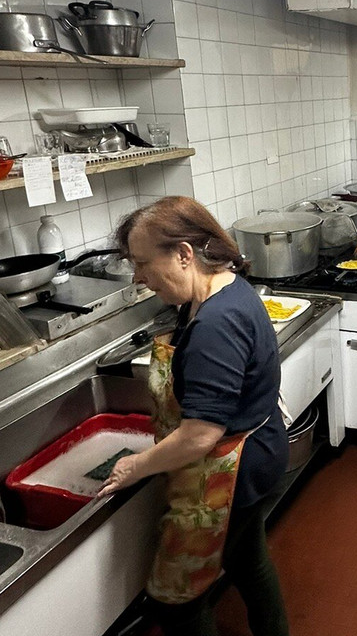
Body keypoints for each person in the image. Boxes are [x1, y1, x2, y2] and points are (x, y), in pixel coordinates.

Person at [98, 196, 290, 636]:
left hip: (229, 471)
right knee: (248, 560)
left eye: (142, 263)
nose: (138, 277)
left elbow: (200, 436)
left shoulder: (216, 324)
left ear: (184, 254)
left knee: (178, 602)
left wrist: (135, 466)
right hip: (257, 451)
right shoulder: (222, 289)